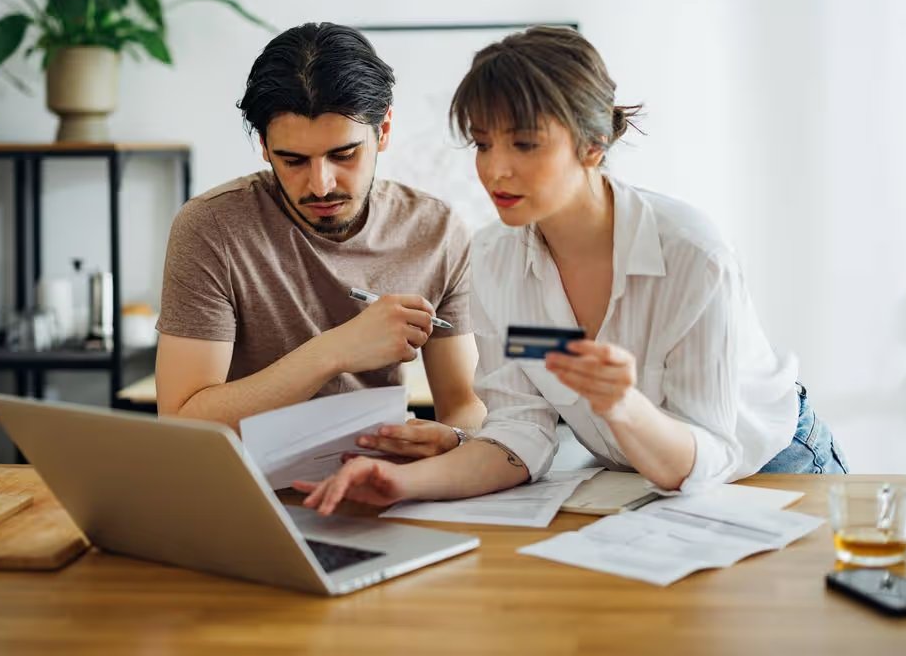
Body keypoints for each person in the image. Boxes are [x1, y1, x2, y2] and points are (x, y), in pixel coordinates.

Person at [297, 26, 848, 514]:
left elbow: (708, 453)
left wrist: (622, 405)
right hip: (636, 483)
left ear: (594, 143)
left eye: (525, 144)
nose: (495, 168)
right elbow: (520, 433)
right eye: (483, 144)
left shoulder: (692, 254)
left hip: (770, 469)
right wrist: (402, 482)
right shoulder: (492, 256)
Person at [154, 22, 485, 453]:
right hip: (248, 491)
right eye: (292, 160)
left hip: (381, 485)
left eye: (344, 154)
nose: (321, 184)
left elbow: (464, 404)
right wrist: (335, 351)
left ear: (383, 130)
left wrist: (453, 438)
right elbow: (181, 426)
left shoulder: (436, 232)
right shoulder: (211, 228)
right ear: (264, 146)